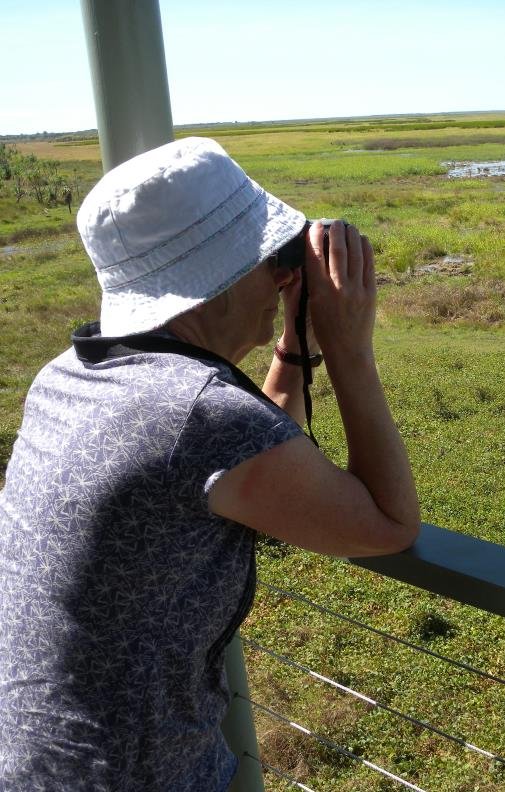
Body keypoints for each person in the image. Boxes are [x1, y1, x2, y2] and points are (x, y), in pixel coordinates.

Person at [0, 137, 420, 791]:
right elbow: (388, 525)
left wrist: (296, 345)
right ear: (208, 286)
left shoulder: (68, 374)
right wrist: (349, 347)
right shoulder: (200, 414)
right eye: (270, 258)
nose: (286, 277)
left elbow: (253, 456)